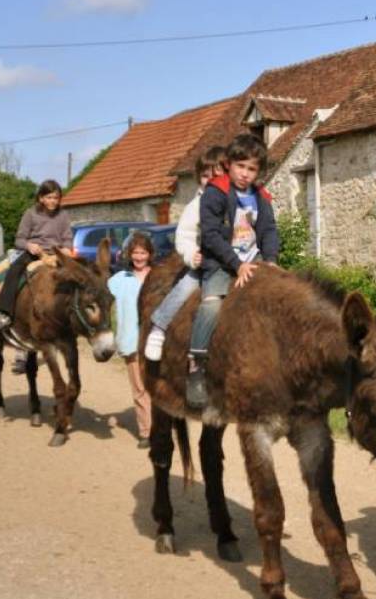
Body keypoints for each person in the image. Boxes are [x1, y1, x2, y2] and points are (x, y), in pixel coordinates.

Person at [186, 133, 279, 409]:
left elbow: (269, 230)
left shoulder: (260, 196)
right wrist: (236, 265)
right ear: (229, 164)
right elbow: (212, 235)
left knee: (281, 300)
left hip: (255, 259)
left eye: (252, 169)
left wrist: (270, 259)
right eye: (241, 166)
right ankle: (197, 364)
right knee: (212, 305)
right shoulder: (215, 193)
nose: (245, 174)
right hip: (222, 263)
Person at [142, 146, 226, 362]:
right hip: (205, 264)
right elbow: (184, 235)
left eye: (217, 175)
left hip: (234, 263)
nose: (210, 180)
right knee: (184, 288)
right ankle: (159, 328)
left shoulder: (233, 201)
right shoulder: (195, 205)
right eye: (205, 176)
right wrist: (192, 255)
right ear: (199, 179)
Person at [0, 179, 72, 332]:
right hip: (35, 253)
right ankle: (4, 312)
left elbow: (67, 238)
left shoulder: (63, 215)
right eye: (49, 197)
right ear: (41, 198)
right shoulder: (31, 214)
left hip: (56, 254)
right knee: (14, 271)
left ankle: (75, 314)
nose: (53, 201)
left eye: (56, 198)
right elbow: (19, 239)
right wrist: (29, 245)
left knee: (79, 275)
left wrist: (67, 248)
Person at [108, 231, 155, 446]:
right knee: (139, 388)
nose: (138, 257)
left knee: (158, 386)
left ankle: (161, 428)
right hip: (131, 341)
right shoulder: (119, 280)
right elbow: (101, 297)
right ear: (129, 254)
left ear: (150, 254)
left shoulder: (157, 277)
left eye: (143, 253)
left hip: (156, 340)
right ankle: (146, 431)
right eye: (135, 253)